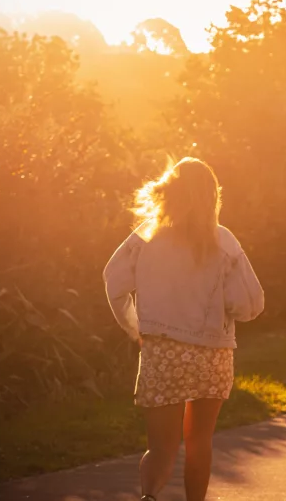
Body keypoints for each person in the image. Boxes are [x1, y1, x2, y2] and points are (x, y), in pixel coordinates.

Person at [103, 158, 264, 501]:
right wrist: (224, 307)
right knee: (199, 442)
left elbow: (113, 282)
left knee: (161, 447)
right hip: (212, 354)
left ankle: (149, 496)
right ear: (212, 196)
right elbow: (251, 302)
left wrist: (135, 327)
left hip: (163, 353)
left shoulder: (147, 235)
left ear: (169, 193)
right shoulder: (224, 241)